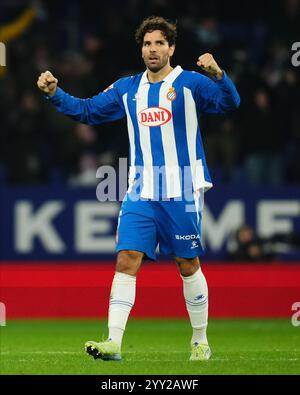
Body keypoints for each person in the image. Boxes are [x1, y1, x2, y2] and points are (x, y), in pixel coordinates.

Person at [37, 16, 240, 361]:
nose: (153, 49)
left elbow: (230, 104)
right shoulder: (127, 88)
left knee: (187, 263)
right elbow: (87, 110)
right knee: (126, 258)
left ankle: (200, 341)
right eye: (147, 44)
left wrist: (220, 75)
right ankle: (114, 342)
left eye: (160, 43)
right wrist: (56, 94)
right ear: (141, 49)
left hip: (181, 188)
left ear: (171, 48)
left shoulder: (190, 83)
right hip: (140, 189)